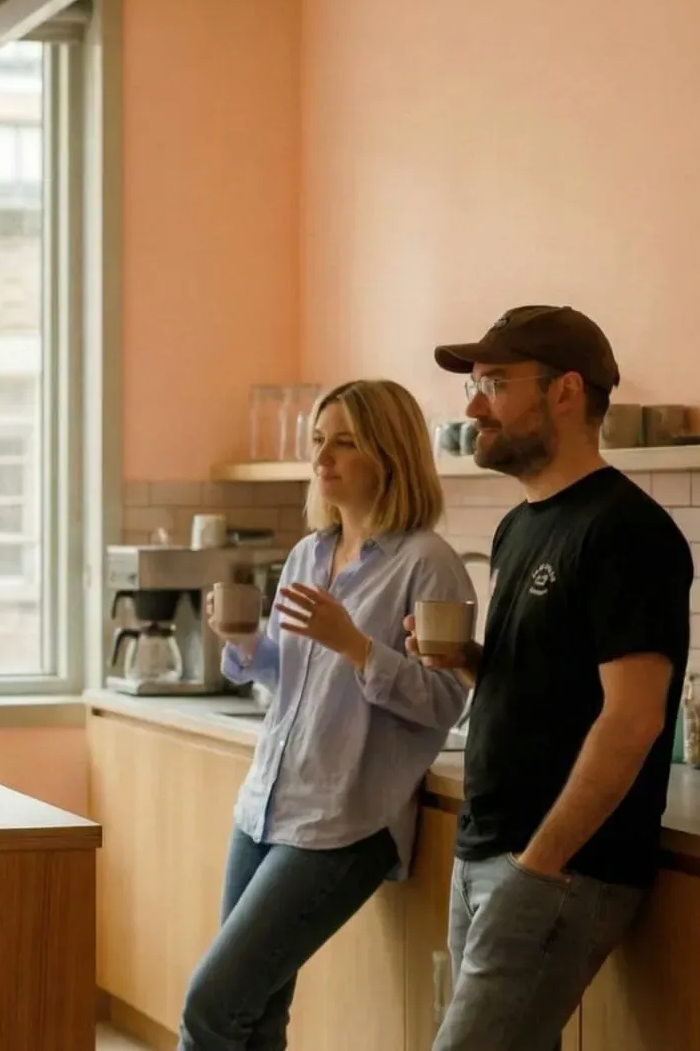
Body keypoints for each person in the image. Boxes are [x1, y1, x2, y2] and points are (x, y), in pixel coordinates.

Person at [419, 306, 691, 1051]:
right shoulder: (521, 524)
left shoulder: (627, 531)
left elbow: (633, 718)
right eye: (474, 385)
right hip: (490, 849)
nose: (474, 408)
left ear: (566, 392)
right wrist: (469, 661)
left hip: (558, 867)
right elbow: (550, 690)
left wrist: (538, 866)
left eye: (495, 384)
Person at [179, 379, 474, 1051]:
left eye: (344, 443)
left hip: (344, 824)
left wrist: (358, 647)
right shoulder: (308, 554)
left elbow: (445, 700)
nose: (322, 459)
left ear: (390, 454)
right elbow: (290, 682)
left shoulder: (427, 565)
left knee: (212, 1006)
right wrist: (247, 647)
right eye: (318, 441)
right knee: (254, 1015)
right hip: (265, 806)